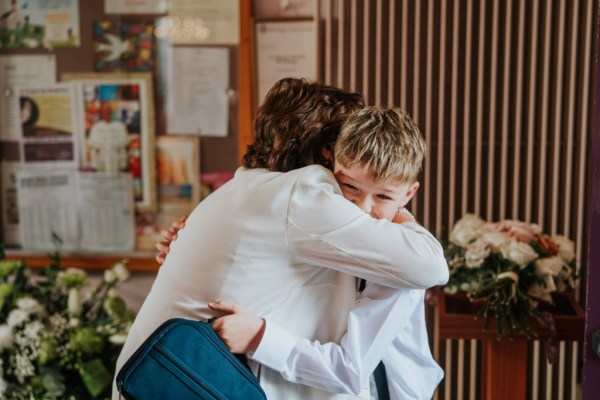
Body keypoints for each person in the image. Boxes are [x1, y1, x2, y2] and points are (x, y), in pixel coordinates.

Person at [113, 78, 448, 400]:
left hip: (165, 376)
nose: (361, 207)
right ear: (327, 154)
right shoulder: (304, 195)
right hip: (180, 378)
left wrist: (399, 209)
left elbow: (355, 365)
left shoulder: (246, 191)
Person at [88, 101, 130, 173]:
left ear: (111, 112)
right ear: (101, 113)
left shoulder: (120, 126)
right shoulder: (96, 127)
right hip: (101, 162)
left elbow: (125, 146)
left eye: (108, 111)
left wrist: (124, 164)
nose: (106, 114)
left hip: (116, 161)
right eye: (104, 112)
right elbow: (93, 148)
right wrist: (94, 165)